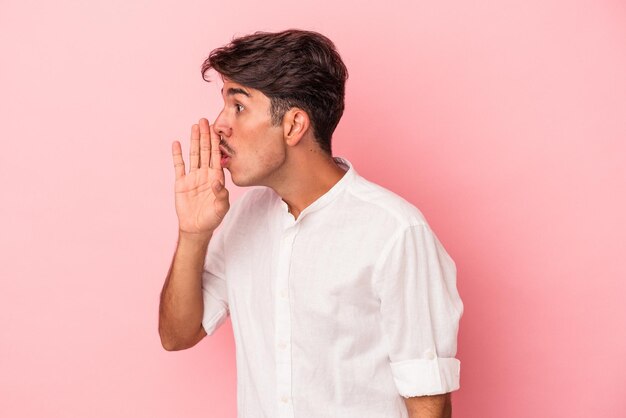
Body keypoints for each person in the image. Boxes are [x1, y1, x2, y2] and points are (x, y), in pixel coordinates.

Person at [158, 29, 464, 418]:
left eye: (238, 106)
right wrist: (192, 234)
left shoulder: (395, 232)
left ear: (293, 125)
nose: (219, 124)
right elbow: (177, 335)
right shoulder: (244, 218)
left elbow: (428, 400)